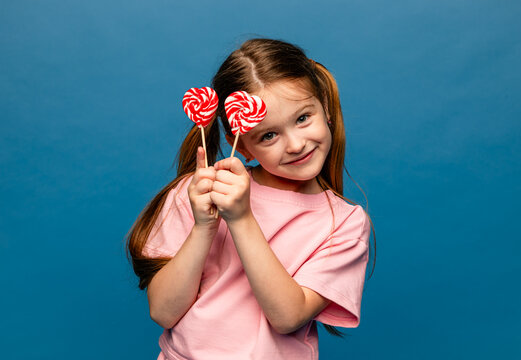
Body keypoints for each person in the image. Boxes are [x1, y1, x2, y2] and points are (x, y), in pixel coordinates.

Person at [126, 38, 376, 360]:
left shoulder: (343, 224)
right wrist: (204, 226)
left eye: (302, 118)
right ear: (241, 145)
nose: (296, 144)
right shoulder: (200, 193)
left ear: (325, 107)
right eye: (268, 135)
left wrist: (241, 219)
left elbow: (288, 317)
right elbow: (162, 311)